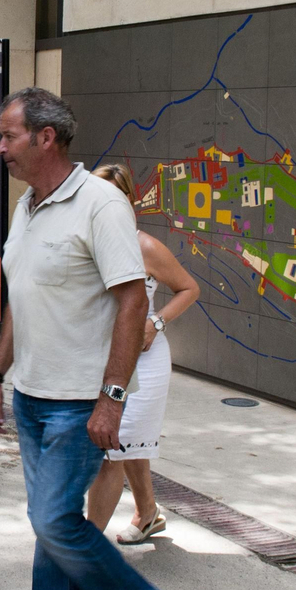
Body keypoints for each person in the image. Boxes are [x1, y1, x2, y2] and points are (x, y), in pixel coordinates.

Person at [0, 88, 169, 590]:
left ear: (45, 138)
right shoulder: (27, 207)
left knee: (55, 521)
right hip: (31, 394)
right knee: (49, 520)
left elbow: (133, 299)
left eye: (8, 136)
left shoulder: (101, 204)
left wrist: (113, 397)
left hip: (80, 399)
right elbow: (23, 296)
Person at [84, 164, 200, 542]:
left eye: (114, 197)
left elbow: (189, 289)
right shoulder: (84, 242)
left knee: (114, 447)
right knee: (127, 444)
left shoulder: (144, 245)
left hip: (144, 359)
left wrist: (157, 323)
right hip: (100, 356)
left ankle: (86, 546)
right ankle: (147, 513)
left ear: (128, 201)